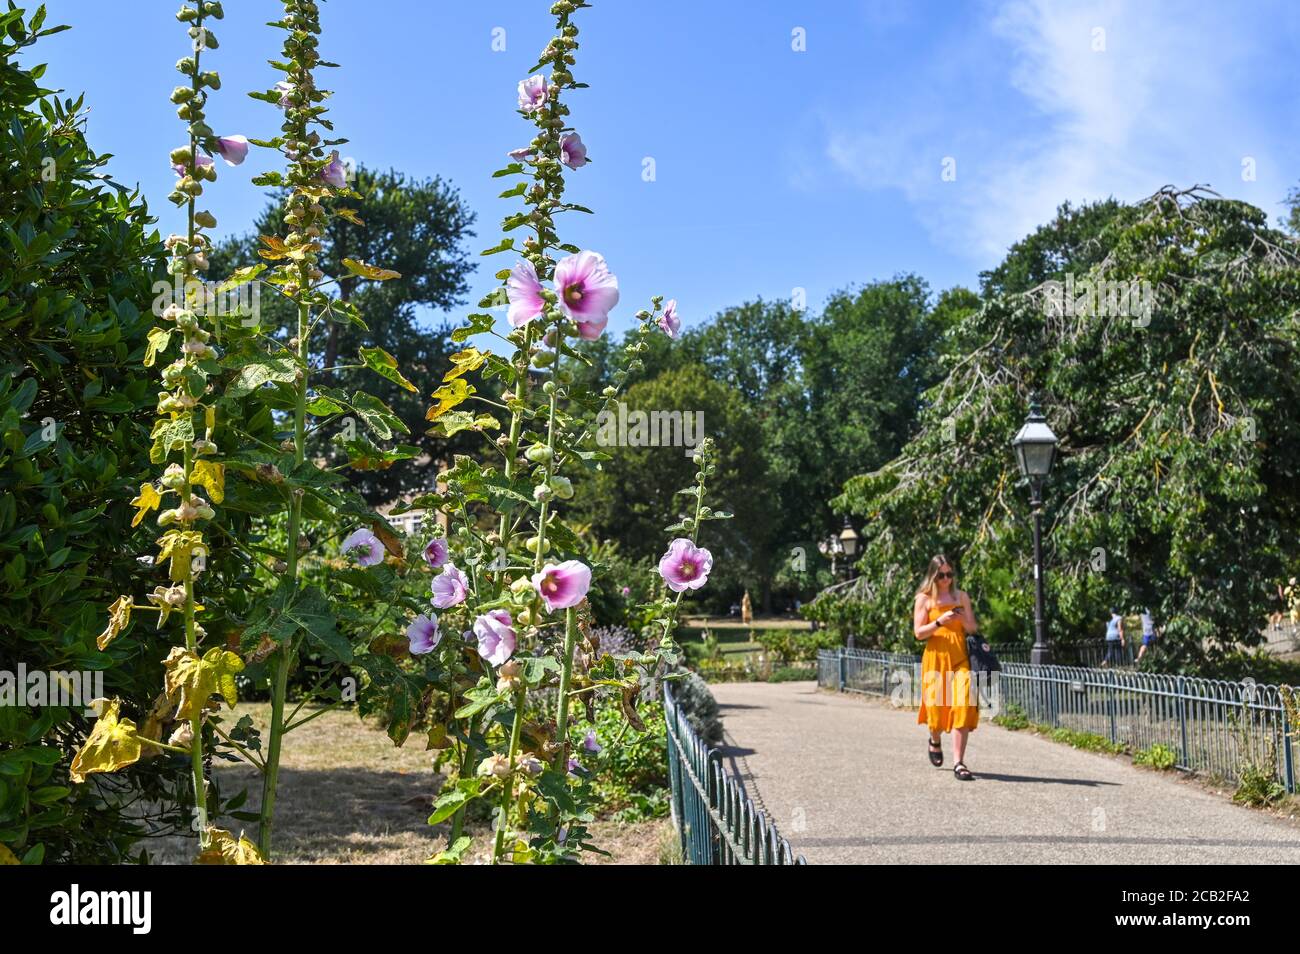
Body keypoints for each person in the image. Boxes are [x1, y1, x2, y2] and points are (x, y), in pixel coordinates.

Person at [913, 554, 979, 781]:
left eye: (949, 575)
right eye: (941, 575)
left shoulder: (961, 596)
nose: (946, 580)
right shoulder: (924, 599)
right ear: (932, 575)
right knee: (936, 713)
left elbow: (972, 628)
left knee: (962, 705)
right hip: (935, 659)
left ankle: (959, 763)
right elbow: (919, 633)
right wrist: (941, 621)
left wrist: (960, 620)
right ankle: (934, 739)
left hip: (959, 657)